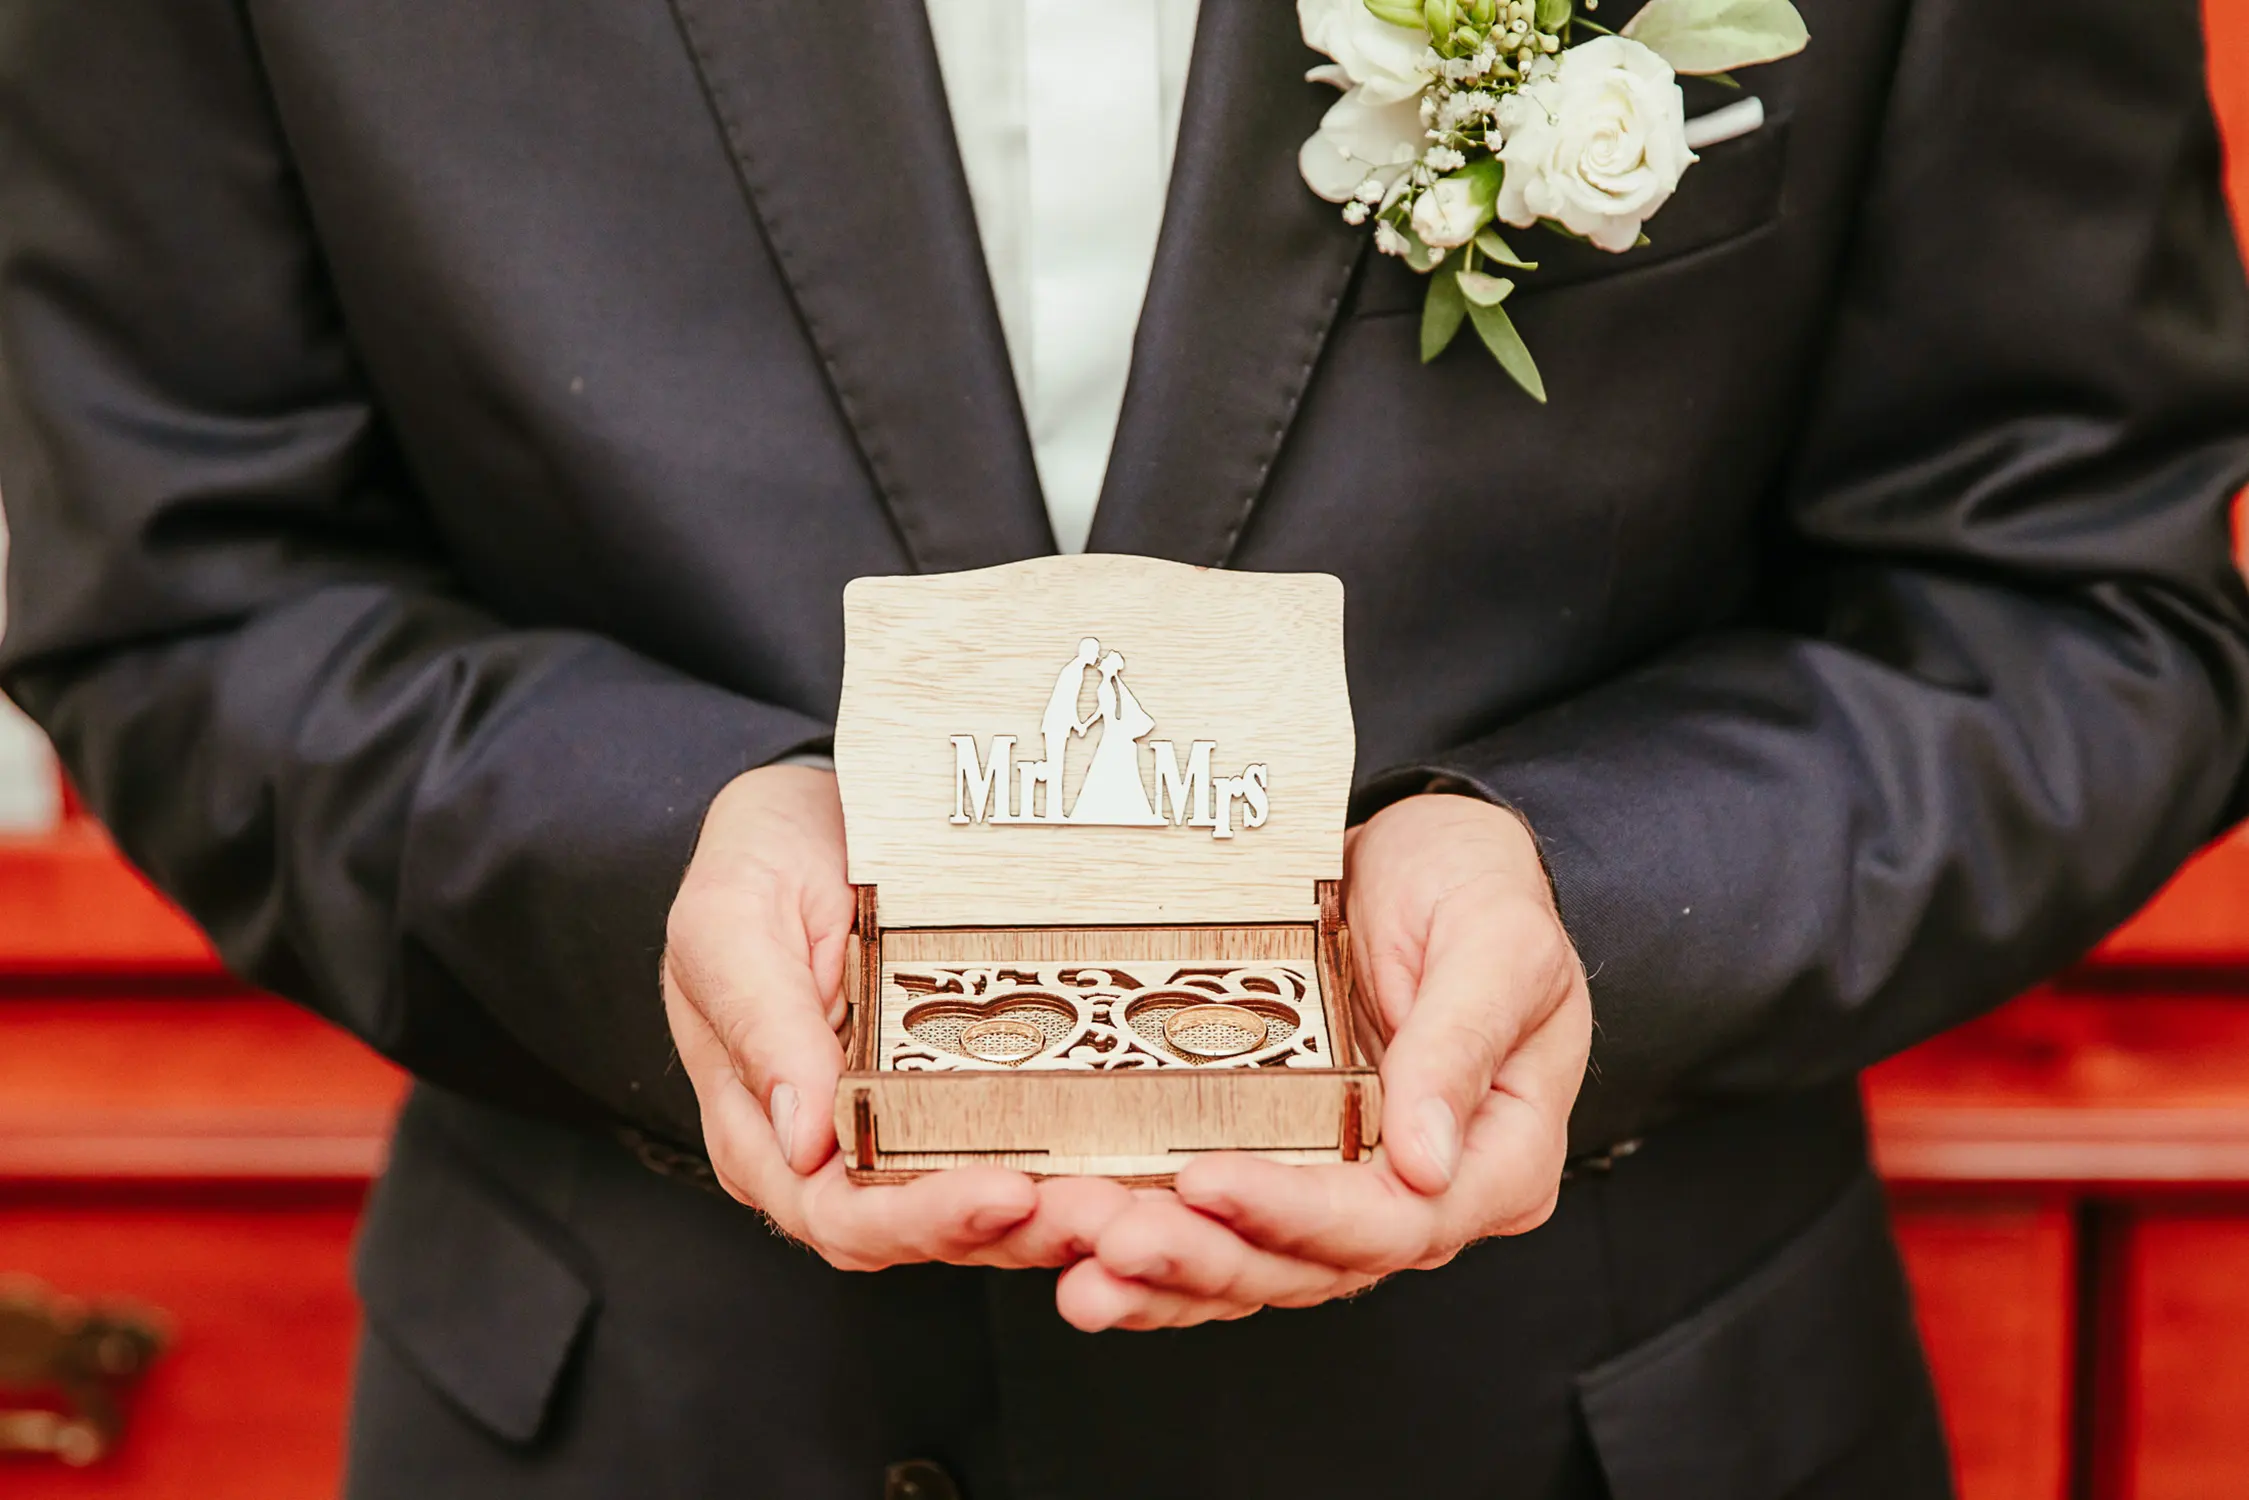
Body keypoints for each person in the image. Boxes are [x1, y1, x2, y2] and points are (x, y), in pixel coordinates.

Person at [0, 1, 2244, 1497]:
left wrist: (1601, 900)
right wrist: (635, 863)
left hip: (1592, 1423)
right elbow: (185, 584)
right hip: (642, 1418)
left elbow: (2081, 595)